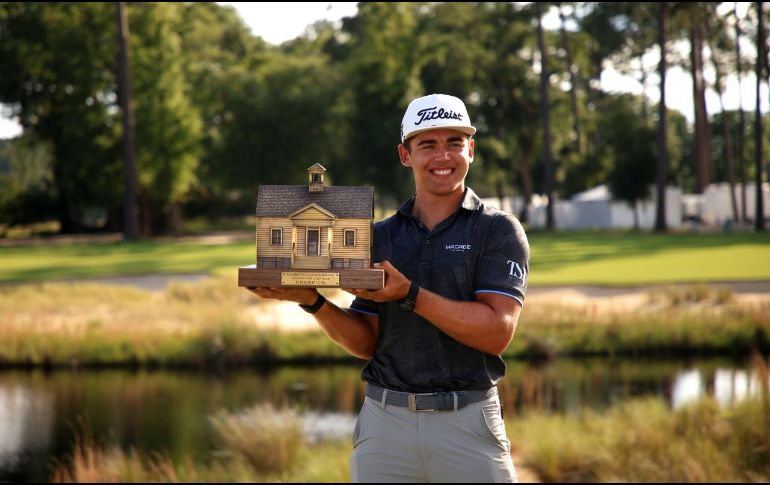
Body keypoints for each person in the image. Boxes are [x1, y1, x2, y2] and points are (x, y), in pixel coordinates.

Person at [249, 93, 529, 483]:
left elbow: (497, 332)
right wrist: (312, 301)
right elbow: (367, 341)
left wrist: (409, 294)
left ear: (471, 150)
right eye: (427, 145)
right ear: (405, 155)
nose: (442, 156)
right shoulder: (380, 236)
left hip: (467, 421)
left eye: (454, 143)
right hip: (385, 425)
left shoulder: (497, 230)